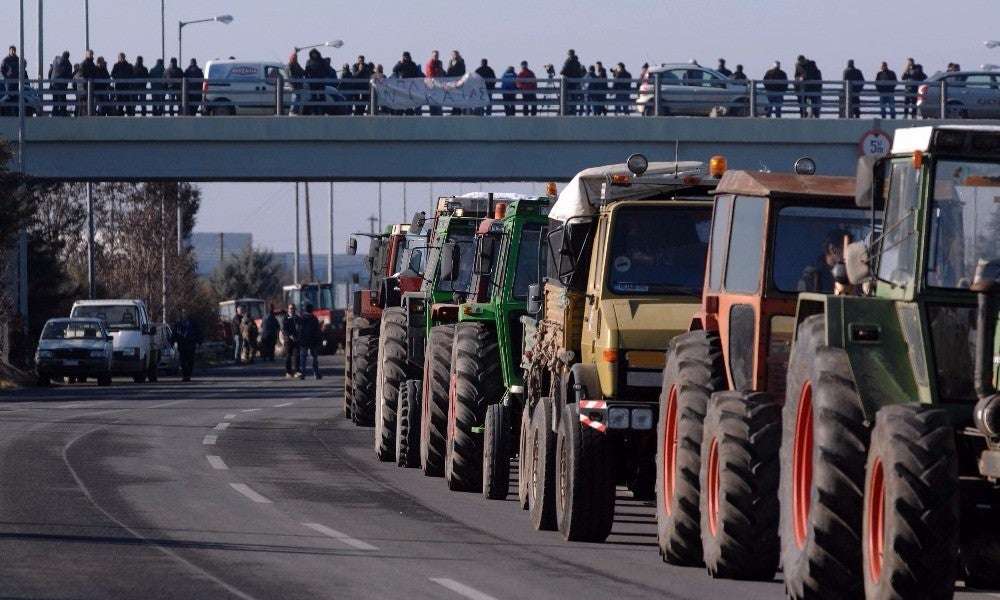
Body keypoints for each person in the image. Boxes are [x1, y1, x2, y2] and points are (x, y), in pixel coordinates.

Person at [171, 308, 202, 382]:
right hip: (182, 345)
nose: (184, 314)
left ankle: (188, 374)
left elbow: (198, 332)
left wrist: (199, 341)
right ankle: (185, 375)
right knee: (183, 361)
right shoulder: (178, 323)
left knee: (190, 361)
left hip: (191, 344)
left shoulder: (193, 323)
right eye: (183, 313)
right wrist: (173, 341)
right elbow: (174, 333)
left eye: (185, 313)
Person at [298, 303, 322, 379]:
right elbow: (318, 331)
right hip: (313, 341)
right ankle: (316, 373)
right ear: (311, 310)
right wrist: (319, 340)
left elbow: (299, 329)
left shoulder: (301, 318)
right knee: (314, 358)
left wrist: (299, 339)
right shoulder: (314, 318)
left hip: (304, 341)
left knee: (303, 359)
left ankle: (303, 373)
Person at [560, 49, 586, 115]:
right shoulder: (577, 62)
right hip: (576, 83)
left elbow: (563, 71)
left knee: (568, 98)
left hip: (569, 83)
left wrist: (563, 73)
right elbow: (580, 72)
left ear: (569, 54)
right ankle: (574, 111)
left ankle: (569, 111)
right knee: (575, 98)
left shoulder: (568, 61)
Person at [281, 303, 302, 378]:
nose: (291, 310)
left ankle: (297, 371)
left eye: (293, 308)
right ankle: (288, 372)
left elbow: (300, 327)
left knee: (296, 355)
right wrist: (289, 335)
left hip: (296, 340)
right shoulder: (285, 318)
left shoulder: (297, 318)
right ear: (288, 309)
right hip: (288, 340)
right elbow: (284, 329)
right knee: (288, 356)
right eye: (290, 308)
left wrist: (299, 335)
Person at [49, 51, 72, 116]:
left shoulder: (55, 60)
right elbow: (69, 77)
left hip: (53, 83)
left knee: (55, 99)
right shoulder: (68, 64)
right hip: (62, 84)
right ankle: (63, 112)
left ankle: (54, 112)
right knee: (63, 99)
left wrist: (50, 81)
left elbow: (50, 71)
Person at [424, 51, 445, 115]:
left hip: (438, 86)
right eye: (435, 55)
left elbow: (442, 72)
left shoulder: (439, 63)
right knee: (432, 101)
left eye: (437, 55)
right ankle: (434, 114)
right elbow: (430, 74)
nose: (436, 56)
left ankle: (439, 114)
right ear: (432, 56)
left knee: (439, 101)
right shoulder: (430, 63)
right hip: (432, 86)